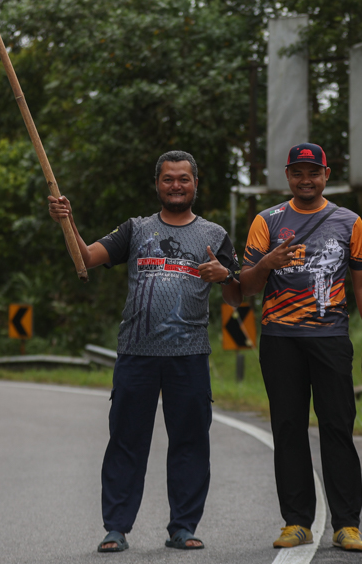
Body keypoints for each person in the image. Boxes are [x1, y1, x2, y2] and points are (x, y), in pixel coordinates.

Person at [47, 150, 241, 554]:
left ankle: (183, 527)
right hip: (137, 353)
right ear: (157, 184)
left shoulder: (214, 235)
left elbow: (238, 294)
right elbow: (85, 258)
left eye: (183, 179)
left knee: (190, 441)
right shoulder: (135, 230)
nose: (175, 185)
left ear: (195, 184)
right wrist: (66, 220)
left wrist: (224, 275)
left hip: (189, 355)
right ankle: (116, 528)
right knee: (126, 440)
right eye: (168, 178)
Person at [239, 142, 362, 553]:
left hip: (331, 338)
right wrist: (268, 263)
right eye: (298, 173)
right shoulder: (267, 221)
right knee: (288, 429)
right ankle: (297, 521)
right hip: (280, 340)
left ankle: (347, 525)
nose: (306, 180)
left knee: (338, 426)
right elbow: (245, 286)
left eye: (313, 172)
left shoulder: (348, 221)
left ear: (326, 174)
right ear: (288, 176)